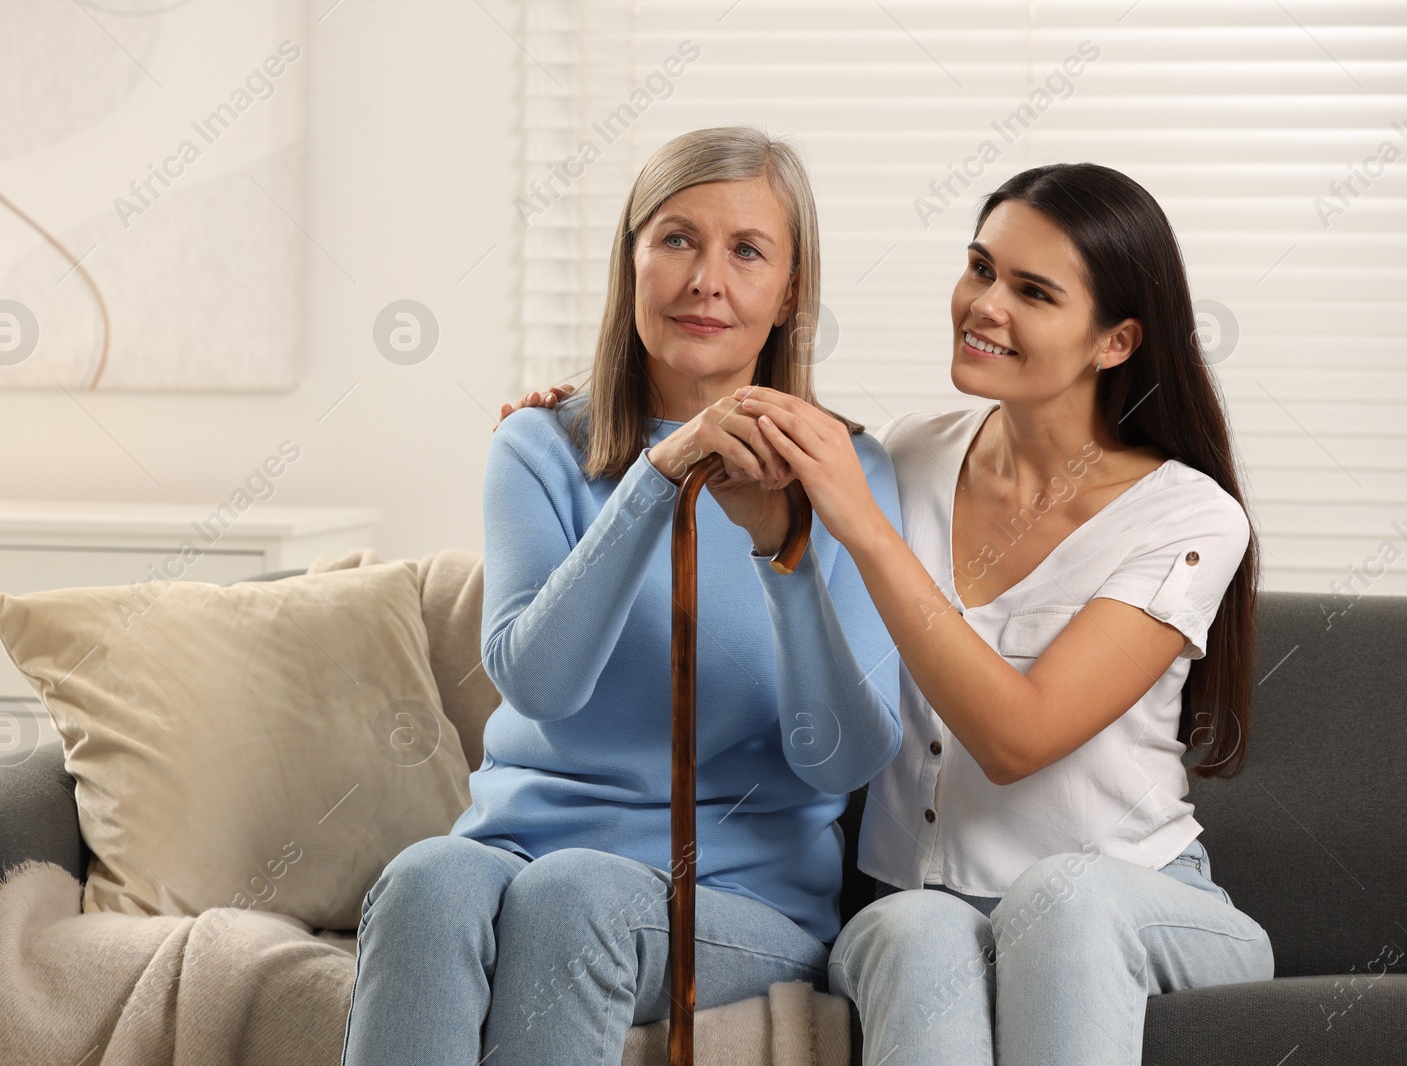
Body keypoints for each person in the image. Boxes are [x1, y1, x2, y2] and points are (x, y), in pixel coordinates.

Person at [509, 162, 1276, 1065]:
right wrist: (579, 414)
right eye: (981, 268)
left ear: (1115, 342)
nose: (985, 305)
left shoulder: (1187, 516)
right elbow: (741, 429)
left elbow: (1018, 738)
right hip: (916, 899)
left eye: (1033, 292)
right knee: (910, 929)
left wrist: (862, 525)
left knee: (1060, 901)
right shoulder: (908, 456)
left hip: (1127, 902)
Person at [341, 126, 905, 1065]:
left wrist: (784, 557)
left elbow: (839, 764)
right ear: (632, 258)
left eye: (747, 250)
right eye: (677, 239)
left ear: (790, 289)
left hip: (738, 899)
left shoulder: (849, 470)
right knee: (425, 879)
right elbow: (542, 686)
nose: (705, 280)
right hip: (514, 854)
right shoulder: (537, 449)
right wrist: (658, 474)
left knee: (579, 894)